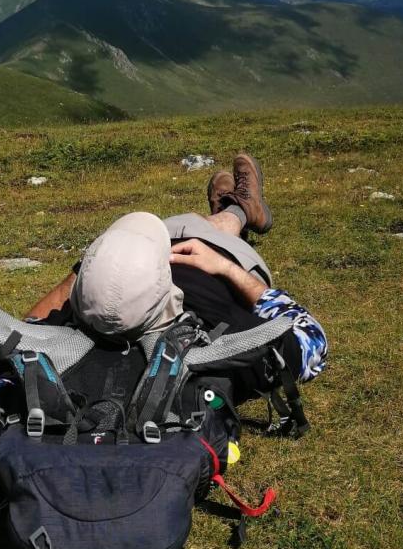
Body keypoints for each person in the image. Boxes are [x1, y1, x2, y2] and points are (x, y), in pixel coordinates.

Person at [25, 152, 327, 385]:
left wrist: (99, 269)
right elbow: (311, 341)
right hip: (224, 257)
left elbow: (27, 326)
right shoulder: (209, 341)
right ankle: (241, 211)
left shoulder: (70, 341)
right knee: (217, 227)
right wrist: (222, 266)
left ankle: (232, 212)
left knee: (189, 225)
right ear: (170, 297)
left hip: (141, 249)